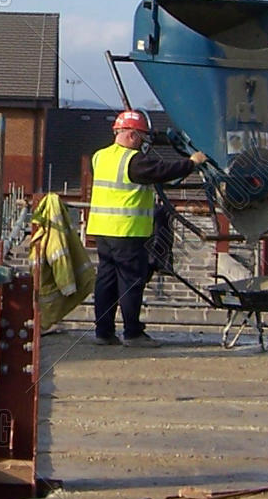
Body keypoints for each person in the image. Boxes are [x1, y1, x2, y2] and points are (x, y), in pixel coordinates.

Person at [86, 109, 205, 345]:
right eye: (142, 138)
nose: (144, 144)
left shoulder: (99, 156)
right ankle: (133, 333)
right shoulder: (134, 161)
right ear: (132, 135)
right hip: (128, 231)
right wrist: (192, 163)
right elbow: (163, 171)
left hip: (102, 230)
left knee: (106, 281)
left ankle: (103, 332)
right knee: (130, 282)